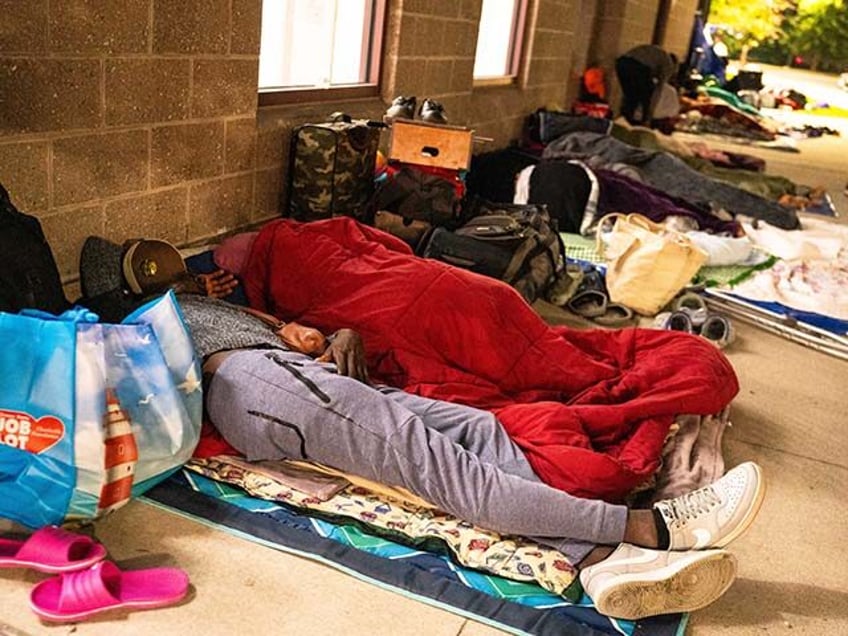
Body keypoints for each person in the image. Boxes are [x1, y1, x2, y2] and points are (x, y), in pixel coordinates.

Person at [78, 235, 766, 621]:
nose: (189, 274)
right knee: (435, 465)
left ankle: (596, 565)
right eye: (161, 268)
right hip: (259, 391)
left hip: (294, 381)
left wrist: (335, 336)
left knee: (476, 431)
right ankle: (652, 530)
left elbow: (309, 336)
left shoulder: (216, 310)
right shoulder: (154, 319)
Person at [614, 44, 678, 126]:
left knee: (631, 96)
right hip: (637, 66)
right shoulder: (668, 66)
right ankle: (643, 122)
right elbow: (658, 91)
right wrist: (649, 115)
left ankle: (624, 120)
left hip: (621, 63)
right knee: (647, 93)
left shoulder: (658, 56)